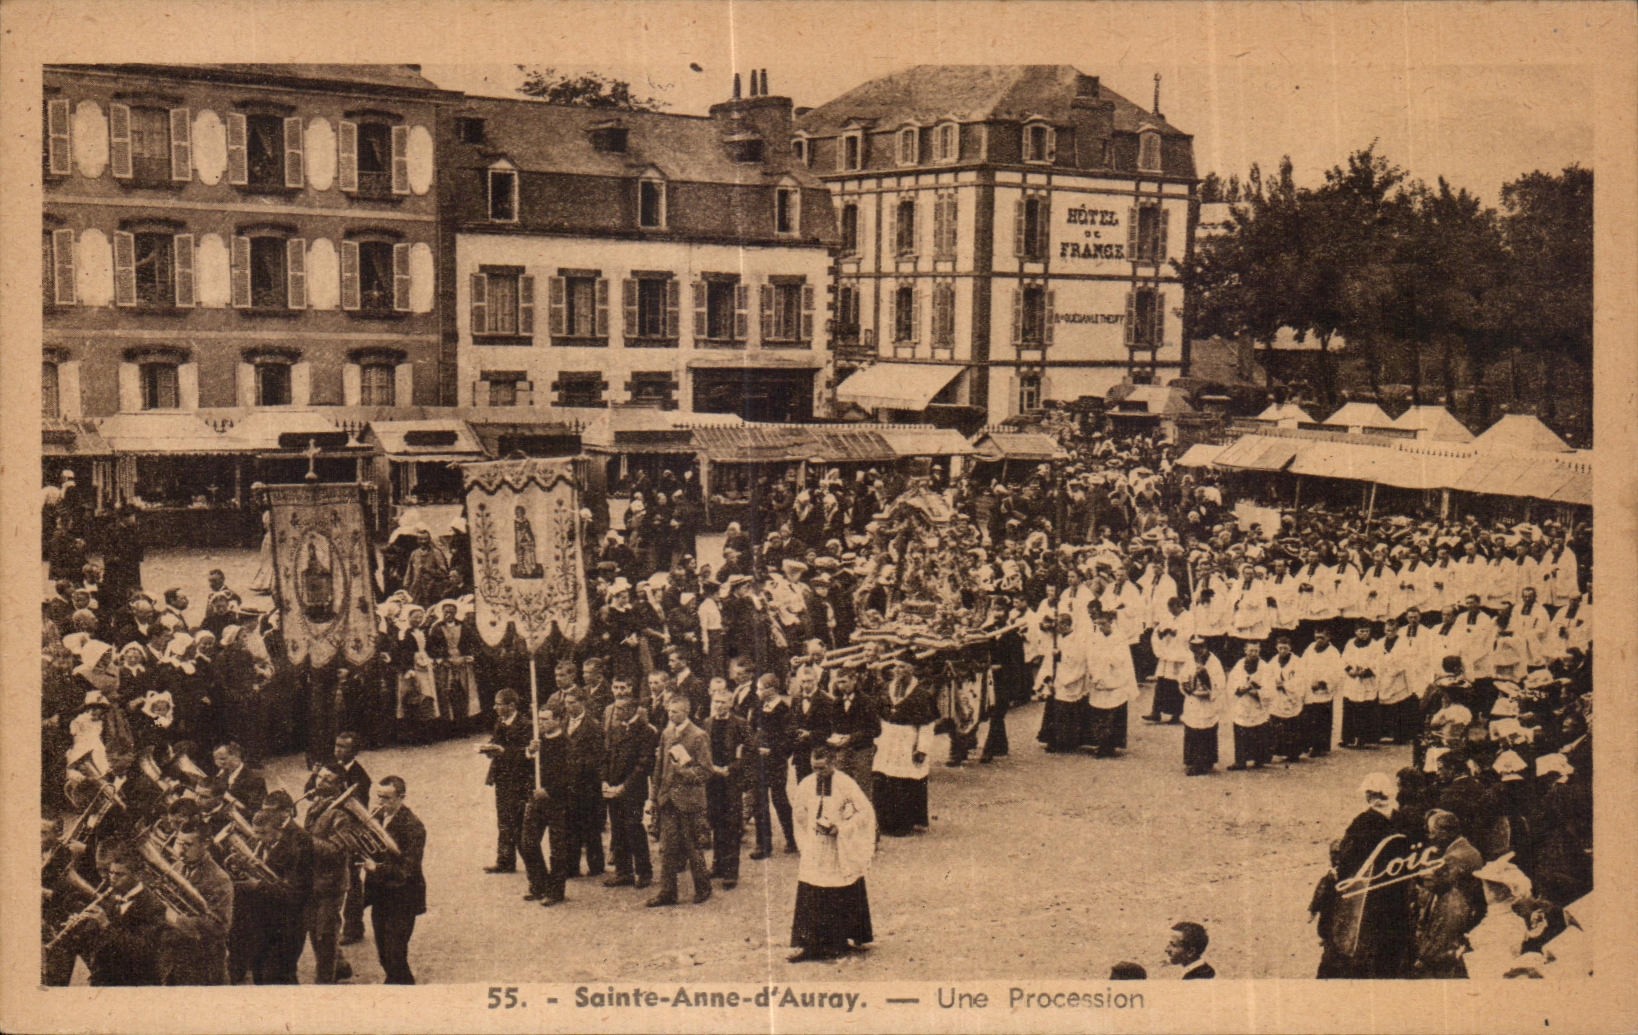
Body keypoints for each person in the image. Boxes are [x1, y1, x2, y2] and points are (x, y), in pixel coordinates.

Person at [788, 743, 876, 962]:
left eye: (822, 769)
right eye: (814, 768)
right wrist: (807, 837)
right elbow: (799, 813)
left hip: (840, 848)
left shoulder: (846, 784)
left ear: (833, 763)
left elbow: (864, 814)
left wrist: (842, 828)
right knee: (811, 890)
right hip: (815, 846)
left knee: (838, 889)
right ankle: (808, 943)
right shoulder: (807, 784)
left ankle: (838, 942)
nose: (818, 774)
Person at [1324, 773, 1414, 979]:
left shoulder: (1364, 821)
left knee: (1369, 930)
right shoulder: (1401, 818)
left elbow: (1347, 855)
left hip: (1369, 887)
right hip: (1397, 882)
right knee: (1395, 924)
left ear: (1371, 795)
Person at [647, 693, 714, 907]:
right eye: (669, 710)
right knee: (667, 848)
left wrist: (683, 772)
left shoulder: (698, 735)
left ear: (686, 712)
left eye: (675, 711)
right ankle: (667, 892)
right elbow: (658, 768)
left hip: (689, 801)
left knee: (692, 845)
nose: (670, 714)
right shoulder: (666, 734)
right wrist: (653, 797)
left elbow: (706, 771)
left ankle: (703, 887)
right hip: (668, 800)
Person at [363, 776, 427, 984]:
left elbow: (408, 870)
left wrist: (377, 868)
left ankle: (402, 988)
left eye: (387, 798)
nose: (381, 803)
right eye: (379, 797)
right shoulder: (377, 819)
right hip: (381, 895)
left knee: (395, 953)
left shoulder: (413, 826)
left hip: (403, 898)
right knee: (383, 951)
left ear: (401, 798)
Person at [1410, 810, 1486, 978]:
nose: (1430, 837)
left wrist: (1417, 872)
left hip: (1454, 920)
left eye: (1433, 832)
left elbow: (1436, 884)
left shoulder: (1456, 856)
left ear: (1446, 832)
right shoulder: (1465, 850)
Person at [159, 823, 234, 985]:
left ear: (205, 844)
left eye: (188, 844)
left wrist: (176, 920)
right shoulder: (177, 867)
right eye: (179, 843)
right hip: (174, 956)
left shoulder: (219, 879)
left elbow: (219, 927)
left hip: (203, 963)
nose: (181, 850)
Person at [302, 767, 355, 984]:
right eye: (320, 776)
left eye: (327, 779)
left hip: (332, 882)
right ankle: (340, 965)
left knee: (325, 932)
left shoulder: (340, 813)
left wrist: (306, 841)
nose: (320, 781)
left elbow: (337, 850)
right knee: (316, 927)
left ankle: (325, 980)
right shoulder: (317, 805)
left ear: (338, 785)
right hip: (314, 879)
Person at [873, 660, 938, 836]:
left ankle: (905, 824)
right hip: (886, 738)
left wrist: (922, 748)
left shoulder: (922, 694)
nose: (898, 670)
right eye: (897, 667)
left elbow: (927, 725)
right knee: (884, 779)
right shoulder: (886, 689)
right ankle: (885, 823)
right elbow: (878, 715)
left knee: (906, 781)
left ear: (912, 669)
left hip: (908, 740)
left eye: (903, 666)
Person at [601, 693, 657, 890]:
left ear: (632, 710)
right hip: (613, 790)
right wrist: (605, 781)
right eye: (616, 708)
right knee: (617, 830)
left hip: (632, 791)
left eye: (620, 709)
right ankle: (623, 872)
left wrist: (624, 787)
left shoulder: (646, 732)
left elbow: (643, 766)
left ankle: (644, 872)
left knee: (633, 828)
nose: (616, 713)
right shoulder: (615, 730)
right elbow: (606, 757)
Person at [519, 704, 572, 907]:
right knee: (528, 843)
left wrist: (549, 790)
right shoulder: (537, 742)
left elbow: (569, 775)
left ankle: (556, 890)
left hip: (557, 801)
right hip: (535, 800)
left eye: (546, 719)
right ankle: (538, 884)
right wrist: (529, 753)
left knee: (558, 848)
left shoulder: (566, 744)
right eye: (540, 719)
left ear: (558, 720)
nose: (542, 723)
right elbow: (527, 769)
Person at [479, 689, 534, 875]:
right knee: (503, 820)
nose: (495, 707)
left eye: (499, 704)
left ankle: (531, 862)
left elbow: (528, 754)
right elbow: (496, 741)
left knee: (518, 822)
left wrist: (503, 752)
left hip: (518, 779)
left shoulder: (526, 725)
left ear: (511, 706)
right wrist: (488, 748)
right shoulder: (500, 722)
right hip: (502, 778)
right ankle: (505, 860)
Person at [703, 684, 750, 889]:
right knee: (715, 821)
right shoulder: (706, 723)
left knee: (731, 824)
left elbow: (748, 751)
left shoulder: (740, 724)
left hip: (731, 780)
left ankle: (731, 871)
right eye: (715, 702)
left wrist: (730, 768)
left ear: (730, 704)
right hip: (712, 780)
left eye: (722, 702)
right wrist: (711, 768)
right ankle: (718, 864)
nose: (718, 706)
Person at [749, 673, 797, 858]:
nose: (757, 692)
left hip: (776, 762)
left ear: (772, 690)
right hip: (758, 761)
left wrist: (774, 750)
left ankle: (791, 838)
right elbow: (751, 730)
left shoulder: (784, 710)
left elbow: (789, 738)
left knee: (779, 800)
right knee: (759, 802)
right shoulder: (758, 707)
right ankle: (763, 844)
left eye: (760, 689)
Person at [1180, 637, 1225, 776]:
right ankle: (1192, 761)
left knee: (1206, 730)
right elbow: (1183, 677)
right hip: (1193, 700)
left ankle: (1205, 762)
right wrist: (1186, 686)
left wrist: (1206, 678)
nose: (1197, 653)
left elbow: (1220, 683)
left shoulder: (1214, 662)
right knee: (1192, 728)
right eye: (1193, 649)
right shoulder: (1190, 659)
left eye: (1199, 649)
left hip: (1207, 702)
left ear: (1205, 648)